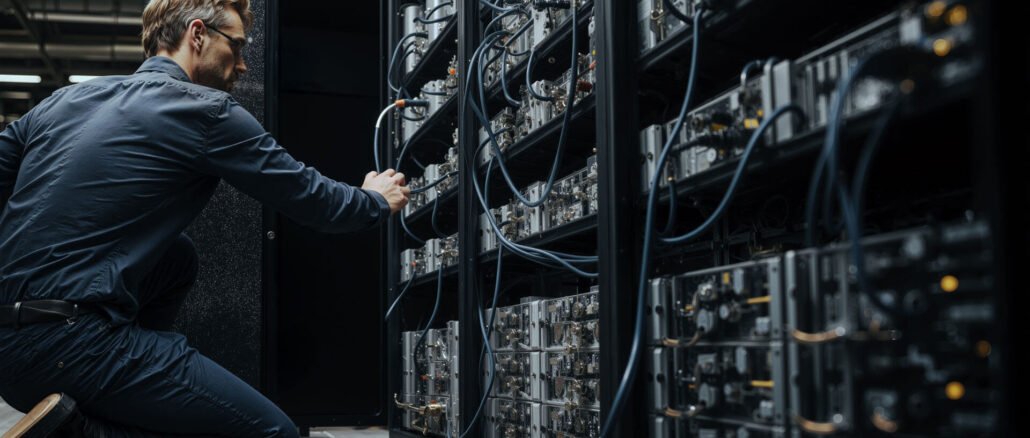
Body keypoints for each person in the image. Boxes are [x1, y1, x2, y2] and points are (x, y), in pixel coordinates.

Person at [0, 0, 408, 436]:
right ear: (197, 35)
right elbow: (316, 200)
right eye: (236, 45)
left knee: (178, 257)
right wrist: (374, 199)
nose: (244, 64)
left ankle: (99, 405)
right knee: (274, 432)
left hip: (8, 348)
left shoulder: (60, 101)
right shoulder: (204, 110)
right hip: (71, 344)